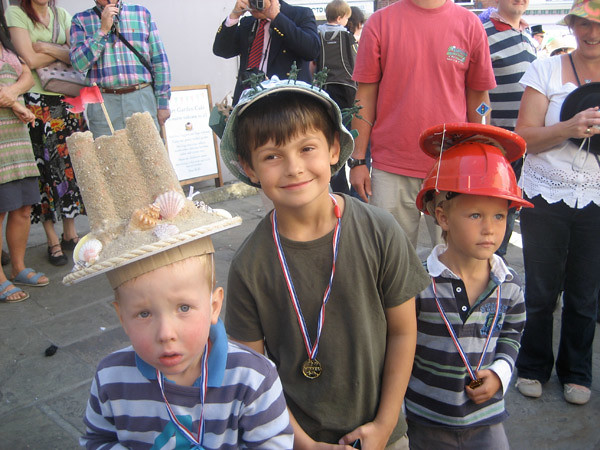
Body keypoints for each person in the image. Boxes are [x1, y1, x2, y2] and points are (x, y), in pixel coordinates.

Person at [220, 77, 430, 448]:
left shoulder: (379, 231)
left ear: (334, 148)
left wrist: (384, 426)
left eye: (307, 148)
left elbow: (403, 331)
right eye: (271, 155)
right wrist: (303, 443)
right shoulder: (249, 267)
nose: (293, 167)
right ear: (249, 168)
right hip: (291, 438)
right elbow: (254, 372)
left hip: (383, 434)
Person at [407, 123, 531, 449]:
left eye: (500, 217)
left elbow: (512, 335)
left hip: (486, 420)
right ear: (443, 217)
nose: (490, 229)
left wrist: (501, 374)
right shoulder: (417, 281)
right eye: (475, 215)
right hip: (423, 419)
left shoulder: (510, 285)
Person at [350, 0, 496, 249]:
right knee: (391, 260)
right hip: (391, 168)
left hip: (451, 168)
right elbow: (365, 95)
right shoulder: (380, 22)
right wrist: (358, 160)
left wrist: (483, 156)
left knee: (455, 259)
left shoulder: (470, 24)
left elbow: (479, 98)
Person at [514, 0, 600, 406]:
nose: (591, 32)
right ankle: (531, 366)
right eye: (583, 23)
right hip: (545, 191)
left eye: (598, 24)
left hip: (596, 197)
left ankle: (576, 372)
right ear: (571, 25)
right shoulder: (546, 69)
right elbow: (524, 139)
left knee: (586, 291)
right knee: (542, 287)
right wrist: (569, 127)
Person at [6, 0, 87, 267]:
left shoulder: (61, 14)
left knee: (69, 167)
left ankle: (70, 232)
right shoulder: (16, 12)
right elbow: (28, 59)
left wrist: (46, 48)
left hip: (66, 100)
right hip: (36, 103)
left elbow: (77, 55)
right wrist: (60, 50)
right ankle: (52, 237)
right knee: (45, 170)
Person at [0, 3, 48, 302]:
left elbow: (28, 75)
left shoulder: (5, 41)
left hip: (15, 136)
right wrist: (14, 102)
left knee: (22, 206)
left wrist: (15, 94)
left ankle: (18, 267)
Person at [70, 0, 171, 137]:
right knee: (109, 156)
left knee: (148, 155)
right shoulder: (81, 20)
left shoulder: (141, 13)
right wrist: (102, 30)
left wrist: (163, 103)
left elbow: (159, 60)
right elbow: (78, 65)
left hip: (141, 96)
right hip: (103, 103)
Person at [483, 0, 537, 257]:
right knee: (493, 206)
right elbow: (474, 88)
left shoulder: (527, 34)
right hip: (497, 141)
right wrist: (485, 131)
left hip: (525, 140)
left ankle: (497, 267)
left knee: (511, 204)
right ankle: (490, 264)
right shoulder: (484, 31)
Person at [212, 0, 320, 104]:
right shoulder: (248, 23)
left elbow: (311, 50)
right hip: (249, 103)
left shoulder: (300, 14)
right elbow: (222, 50)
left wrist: (277, 17)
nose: (255, 4)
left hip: (287, 106)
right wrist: (233, 17)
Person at [315, 0, 357, 195]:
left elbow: (313, 64)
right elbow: (355, 62)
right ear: (340, 18)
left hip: (324, 87)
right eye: (347, 17)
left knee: (332, 133)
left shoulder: (318, 34)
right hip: (346, 87)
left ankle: (340, 188)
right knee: (348, 128)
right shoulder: (347, 36)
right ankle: (353, 161)